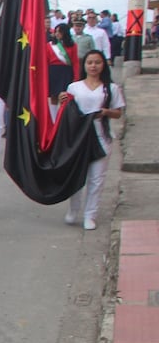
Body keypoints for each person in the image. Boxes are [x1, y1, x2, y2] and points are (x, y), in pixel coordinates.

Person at [59, 50, 125, 231]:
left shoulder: (111, 88)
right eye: (90, 62)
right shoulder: (74, 87)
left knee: (96, 179)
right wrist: (61, 99)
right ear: (84, 65)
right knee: (77, 176)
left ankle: (90, 215)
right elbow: (67, 111)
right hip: (78, 138)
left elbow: (118, 113)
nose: (93, 66)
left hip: (101, 136)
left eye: (97, 62)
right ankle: (73, 210)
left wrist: (106, 112)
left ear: (103, 65)